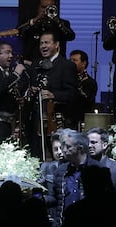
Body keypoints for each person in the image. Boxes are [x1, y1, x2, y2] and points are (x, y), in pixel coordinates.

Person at [26, 31, 79, 160]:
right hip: (36, 120)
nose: (43, 46)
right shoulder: (35, 65)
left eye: (47, 43)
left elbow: (73, 94)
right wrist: (31, 91)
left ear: (56, 44)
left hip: (56, 119)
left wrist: (53, 95)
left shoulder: (66, 65)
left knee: (60, 157)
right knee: (36, 157)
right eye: (41, 43)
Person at [44, 128, 103, 227]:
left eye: (68, 147)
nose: (64, 150)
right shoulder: (61, 171)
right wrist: (39, 199)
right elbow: (54, 198)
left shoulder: (97, 169)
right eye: (63, 147)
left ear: (80, 148)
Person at [86, 127, 116, 213]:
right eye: (88, 143)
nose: (89, 146)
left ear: (104, 145)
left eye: (93, 142)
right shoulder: (83, 168)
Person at [16, 0, 75, 65]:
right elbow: (18, 32)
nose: (46, 10)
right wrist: (35, 20)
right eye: (44, 7)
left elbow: (71, 36)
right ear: (38, 8)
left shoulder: (62, 23)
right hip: (32, 64)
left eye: (50, 7)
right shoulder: (30, 22)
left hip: (56, 65)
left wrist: (57, 22)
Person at [69, 49, 98, 123]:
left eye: (74, 60)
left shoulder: (90, 82)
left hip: (83, 120)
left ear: (83, 63)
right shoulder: (65, 78)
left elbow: (85, 100)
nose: (71, 63)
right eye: (70, 60)